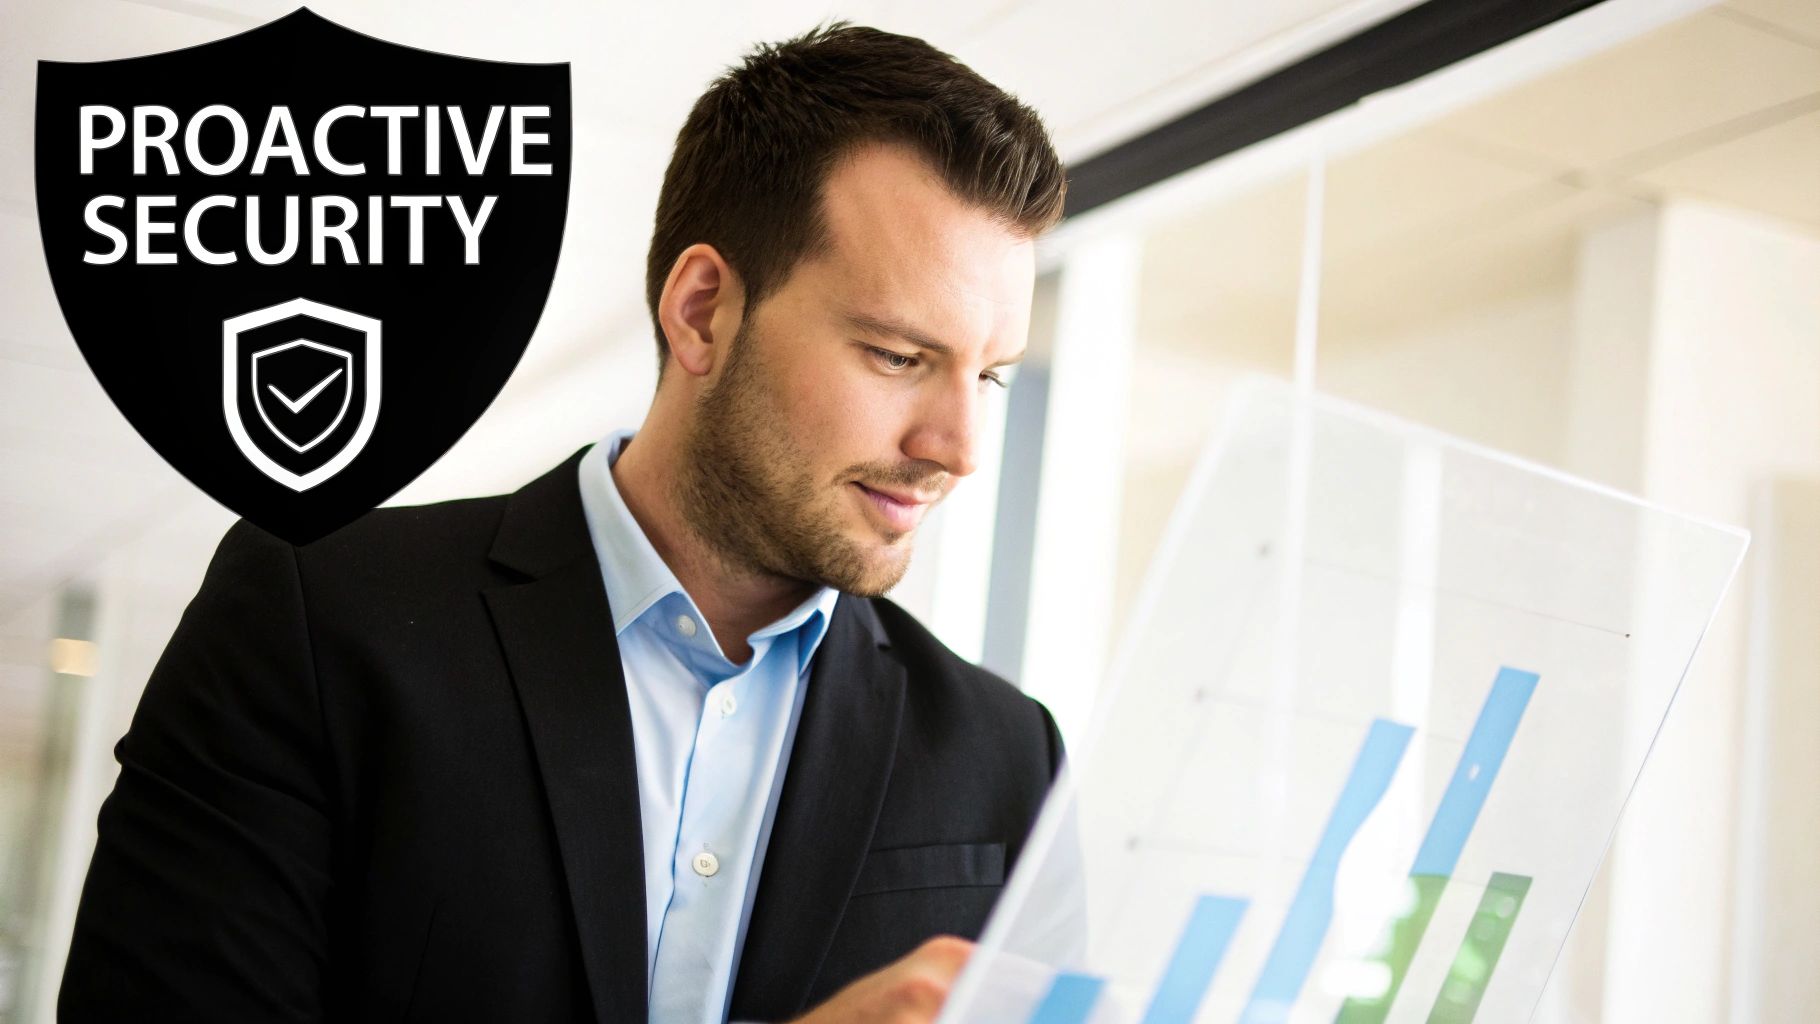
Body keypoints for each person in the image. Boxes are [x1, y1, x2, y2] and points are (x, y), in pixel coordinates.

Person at [58, 19, 1071, 1024]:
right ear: (703, 308)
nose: (959, 444)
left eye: (986, 374)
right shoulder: (317, 620)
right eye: (897, 355)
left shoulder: (1004, 756)